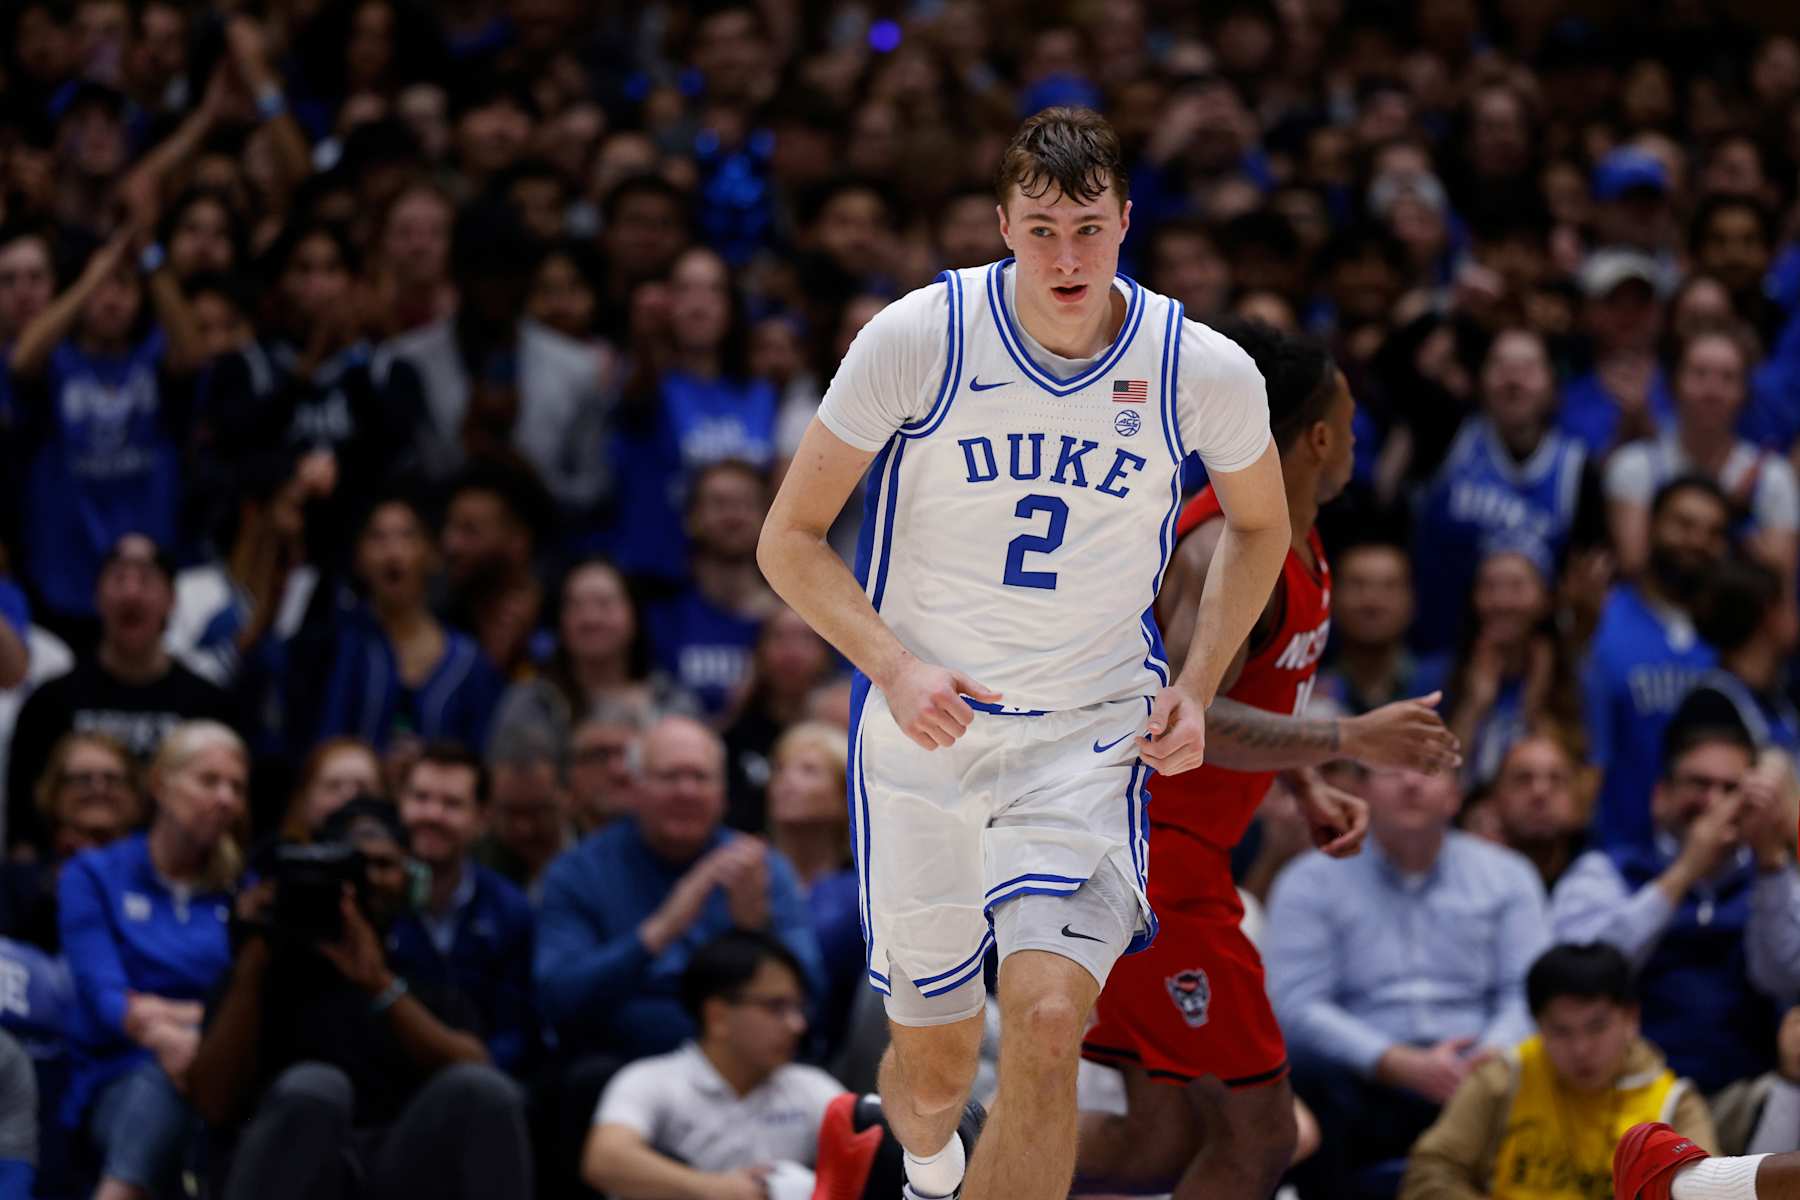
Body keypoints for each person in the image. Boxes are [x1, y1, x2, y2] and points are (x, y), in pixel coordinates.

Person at [760, 108, 1291, 1200]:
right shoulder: (917, 337)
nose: (1065, 257)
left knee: (1049, 1023)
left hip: (1088, 739)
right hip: (926, 738)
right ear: (1002, 223)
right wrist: (895, 668)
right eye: (1042, 228)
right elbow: (789, 540)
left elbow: (1260, 523)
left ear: (1126, 224)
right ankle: (914, 1163)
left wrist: (1195, 686)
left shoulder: (1200, 365)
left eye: (1088, 229)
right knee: (934, 1075)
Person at [1073, 320, 1458, 1199]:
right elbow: (1175, 715)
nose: (1357, 440)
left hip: (1172, 857)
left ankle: (903, 1150)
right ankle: (920, 1149)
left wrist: (1303, 779)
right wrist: (1348, 738)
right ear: (1319, 436)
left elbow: (1255, 689)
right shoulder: (1223, 551)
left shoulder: (1299, 536)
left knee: (1156, 1140)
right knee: (1262, 1135)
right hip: (1151, 863)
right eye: (1351, 423)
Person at [187, 798, 534, 1200]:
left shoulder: (422, 973)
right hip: (281, 1167)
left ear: (409, 879)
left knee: (483, 1091)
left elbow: (481, 1078)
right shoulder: (262, 972)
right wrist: (253, 960)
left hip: (392, 1170)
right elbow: (212, 1104)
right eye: (354, 866)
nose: (369, 880)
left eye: (384, 865)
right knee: (317, 1087)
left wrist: (379, 985)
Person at [1266, 764, 1552, 1199]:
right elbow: (1296, 1004)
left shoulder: (1508, 876)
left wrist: (1487, 1058)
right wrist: (1393, 1061)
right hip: (1360, 1083)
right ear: (1361, 791)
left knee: (1552, 1059)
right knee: (1303, 1072)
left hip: (1484, 1076)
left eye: (1429, 769)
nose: (1412, 780)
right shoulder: (1310, 880)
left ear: (1456, 794)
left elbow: (1528, 991)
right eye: (1391, 769)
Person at [534, 714, 822, 1059]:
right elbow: (556, 999)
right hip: (618, 1062)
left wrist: (755, 935)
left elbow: (814, 998)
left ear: (723, 795)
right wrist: (658, 932)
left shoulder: (760, 867)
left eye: (700, 777)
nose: (686, 791)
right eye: (670, 777)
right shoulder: (578, 871)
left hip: (743, 1063)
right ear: (635, 788)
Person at [1550, 723, 1800, 1094]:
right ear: (1661, 796)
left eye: (1732, 790)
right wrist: (1686, 870)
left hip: (1747, 1092)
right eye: (1699, 784)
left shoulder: (1774, 878)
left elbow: (1785, 978)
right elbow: (1580, 978)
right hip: (1629, 1094)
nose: (1714, 802)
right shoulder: (1606, 871)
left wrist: (1769, 862)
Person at [60, 721, 245, 1200]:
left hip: (224, 1073)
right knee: (163, 1080)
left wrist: (183, 1025)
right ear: (161, 784)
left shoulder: (244, 889)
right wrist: (167, 1033)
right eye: (209, 781)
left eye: (236, 787)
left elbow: (252, 1004)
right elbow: (105, 998)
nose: (225, 798)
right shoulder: (94, 874)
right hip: (114, 1074)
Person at [1401, 942, 1717, 1200]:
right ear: (1537, 1025)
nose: (1580, 1049)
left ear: (1630, 1019)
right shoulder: (1502, 1078)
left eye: (1597, 1027)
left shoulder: (1675, 1105)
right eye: (1561, 1031)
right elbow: (1429, 1170)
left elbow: (1708, 1193)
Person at [6, 534, 232, 858]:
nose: (131, 591)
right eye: (118, 578)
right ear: (97, 597)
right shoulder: (50, 701)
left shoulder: (209, 705)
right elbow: (23, 828)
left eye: (145, 578)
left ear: (171, 600)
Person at [582, 930, 844, 1199]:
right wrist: (714, 1189)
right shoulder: (649, 1080)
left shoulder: (810, 1085)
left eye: (798, 1007)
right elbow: (606, 1159)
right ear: (717, 1016)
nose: (797, 1025)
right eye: (775, 1007)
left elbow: (868, 1152)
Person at [1411, 328, 1603, 656]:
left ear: (1552, 385)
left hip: (1532, 659)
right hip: (1437, 648)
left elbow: (1586, 579)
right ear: (1480, 380)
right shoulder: (1446, 435)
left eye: (1528, 369)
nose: (1513, 381)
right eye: (1501, 367)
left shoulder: (1578, 468)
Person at [1584, 476, 1730, 849]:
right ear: (1650, 527)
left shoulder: (1730, 634)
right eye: (1683, 525)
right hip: (1614, 853)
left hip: (1711, 859)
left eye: (1712, 532)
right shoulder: (1600, 616)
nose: (1697, 541)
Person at [313, 495, 505, 758]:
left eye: (407, 536)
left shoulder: (468, 661)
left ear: (432, 554)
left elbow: (480, 759)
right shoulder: (337, 644)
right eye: (377, 537)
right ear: (359, 557)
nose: (393, 552)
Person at [385, 741, 536, 1074]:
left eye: (451, 804)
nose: (432, 815)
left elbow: (515, 1030)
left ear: (482, 819)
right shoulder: (373, 897)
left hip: (480, 1085)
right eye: (420, 798)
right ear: (400, 803)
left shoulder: (508, 910)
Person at [1605, 326, 1798, 583]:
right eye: (1699, 374)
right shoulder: (1634, 466)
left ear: (1745, 393)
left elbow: (1777, 589)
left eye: (1728, 378)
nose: (1712, 390)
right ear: (1674, 383)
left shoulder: (1773, 477)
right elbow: (1635, 570)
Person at [487, 557, 695, 760]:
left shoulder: (670, 701)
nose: (590, 619)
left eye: (604, 604)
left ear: (634, 616)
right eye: (575, 606)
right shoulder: (532, 702)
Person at [645, 460, 781, 718]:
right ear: (691, 518)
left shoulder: (793, 621)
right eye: (719, 504)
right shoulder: (661, 618)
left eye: (746, 504)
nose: (734, 516)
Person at [765, 721, 861, 1061]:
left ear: (841, 795)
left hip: (838, 1042)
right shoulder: (742, 868)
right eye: (780, 769)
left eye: (808, 771)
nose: (787, 781)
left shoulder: (861, 889)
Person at [0, 732, 140, 952]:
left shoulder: (161, 874)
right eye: (83, 779)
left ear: (134, 794)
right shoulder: (18, 880)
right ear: (54, 793)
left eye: (112, 779)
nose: (99, 788)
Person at [722, 605, 839, 833]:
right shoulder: (735, 734)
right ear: (759, 653)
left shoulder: (839, 734)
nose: (791, 651)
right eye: (779, 638)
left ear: (825, 653)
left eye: (805, 638)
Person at [1316, 542, 1432, 715]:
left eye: (1389, 587)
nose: (1372, 601)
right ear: (1331, 599)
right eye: (1357, 585)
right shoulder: (1310, 688)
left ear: (1412, 600)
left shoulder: (1442, 684)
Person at [1480, 729, 1589, 890]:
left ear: (1576, 798)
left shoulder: (1607, 881)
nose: (1540, 792)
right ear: (1495, 797)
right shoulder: (1468, 883)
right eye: (1523, 779)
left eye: (1556, 779)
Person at [479, 725, 576, 900]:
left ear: (567, 797)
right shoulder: (477, 865)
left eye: (536, 811)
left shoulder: (599, 856)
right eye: (510, 812)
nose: (524, 828)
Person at [280, 736, 384, 840]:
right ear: (305, 796)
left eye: (362, 787)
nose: (348, 796)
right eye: (333, 786)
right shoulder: (274, 852)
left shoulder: (395, 853)